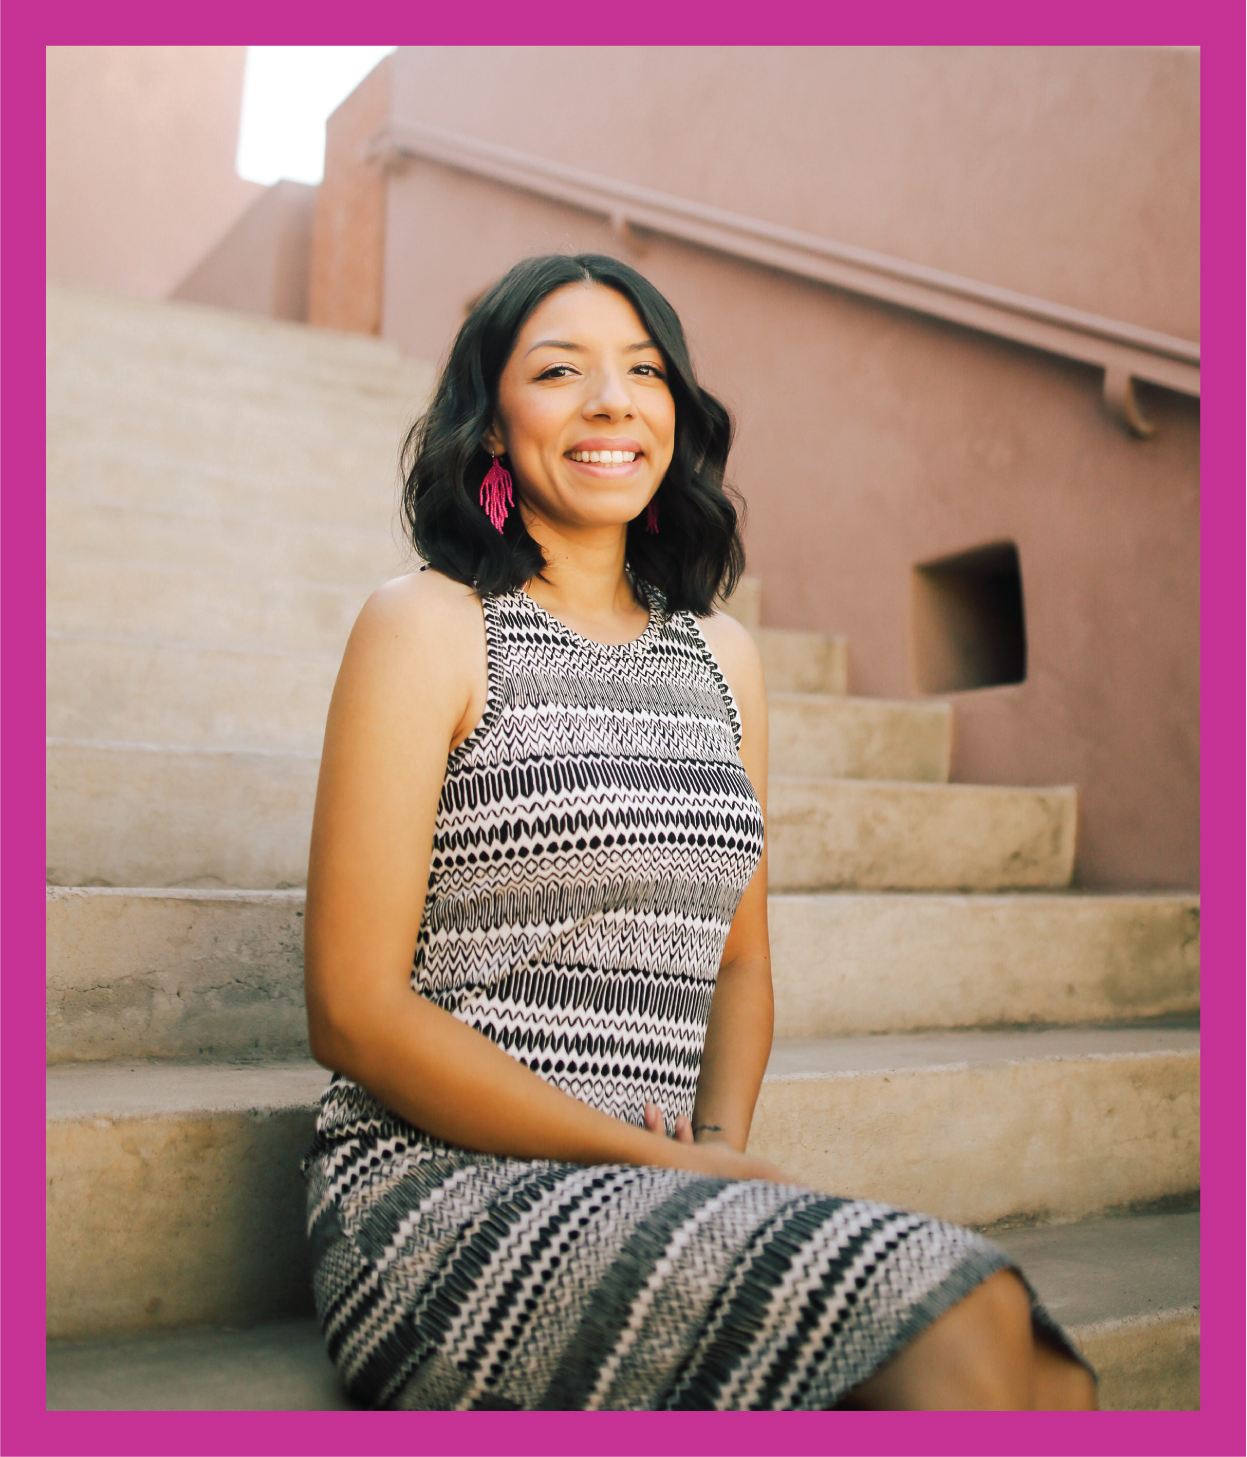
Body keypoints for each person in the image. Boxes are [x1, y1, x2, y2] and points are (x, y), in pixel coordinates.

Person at [301, 252, 1097, 1411]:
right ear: (487, 426)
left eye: (643, 370)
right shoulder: (426, 625)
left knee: (1039, 1361)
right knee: (961, 1324)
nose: (612, 399)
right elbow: (353, 1010)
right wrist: (671, 1160)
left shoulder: (721, 658)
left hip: (656, 1176)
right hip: (441, 1190)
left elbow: (740, 962)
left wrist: (713, 1142)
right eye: (559, 370)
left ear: (675, 413)